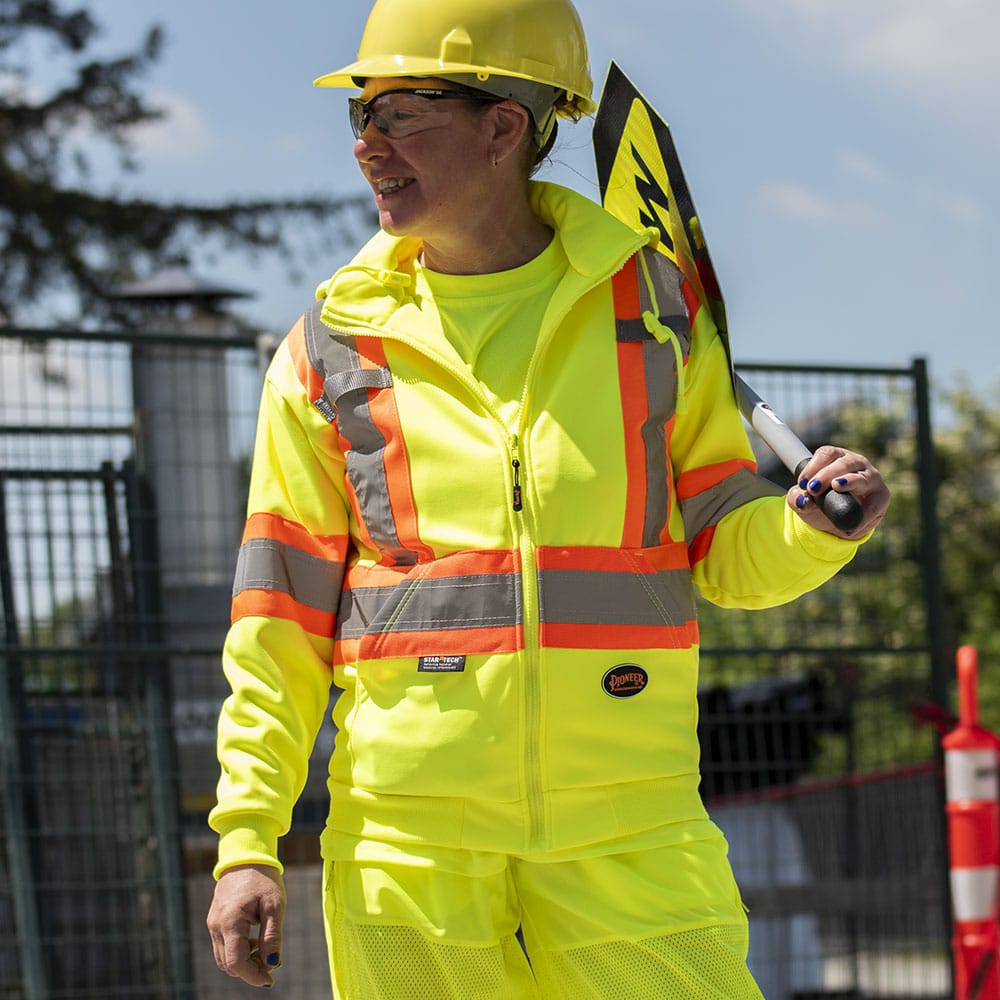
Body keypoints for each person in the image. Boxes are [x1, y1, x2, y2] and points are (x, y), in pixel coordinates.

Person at [206, 0, 891, 996]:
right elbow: (277, 623)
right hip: (409, 853)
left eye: (399, 112)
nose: (366, 144)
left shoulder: (653, 314)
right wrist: (246, 838)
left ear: (503, 126)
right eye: (359, 114)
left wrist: (808, 530)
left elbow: (724, 552)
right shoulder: (328, 351)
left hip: (631, 833)